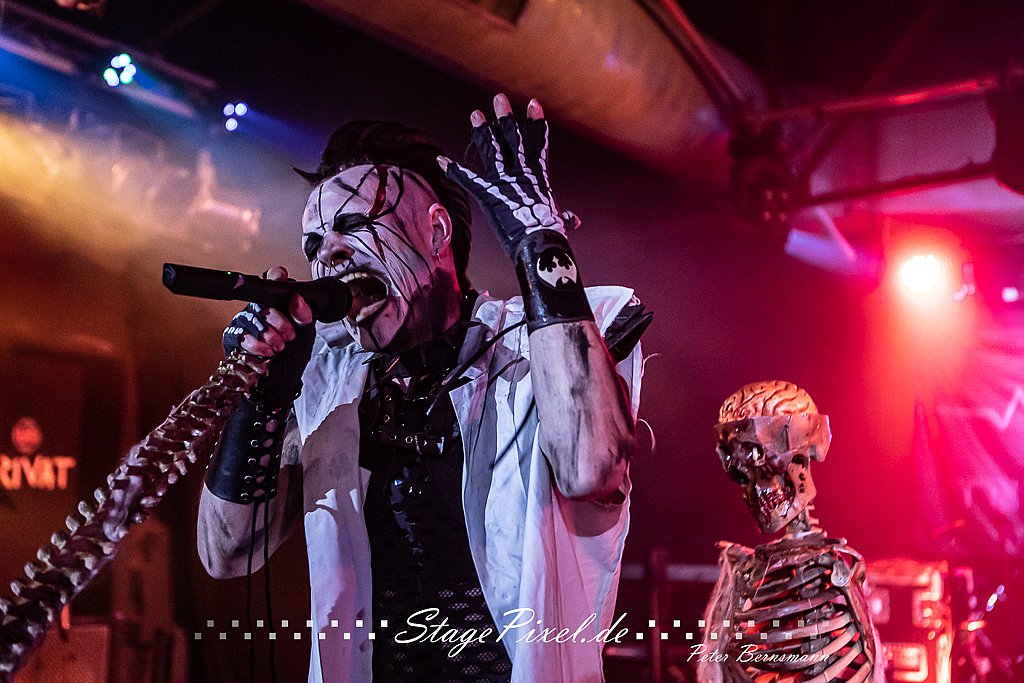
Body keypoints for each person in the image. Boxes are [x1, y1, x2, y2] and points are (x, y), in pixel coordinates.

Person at [196, 93, 651, 683]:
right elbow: (227, 553)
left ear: (436, 231)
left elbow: (591, 470)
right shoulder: (328, 385)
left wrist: (541, 244)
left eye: (354, 225)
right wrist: (261, 400)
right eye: (313, 245)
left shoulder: (539, 344)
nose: (327, 254)